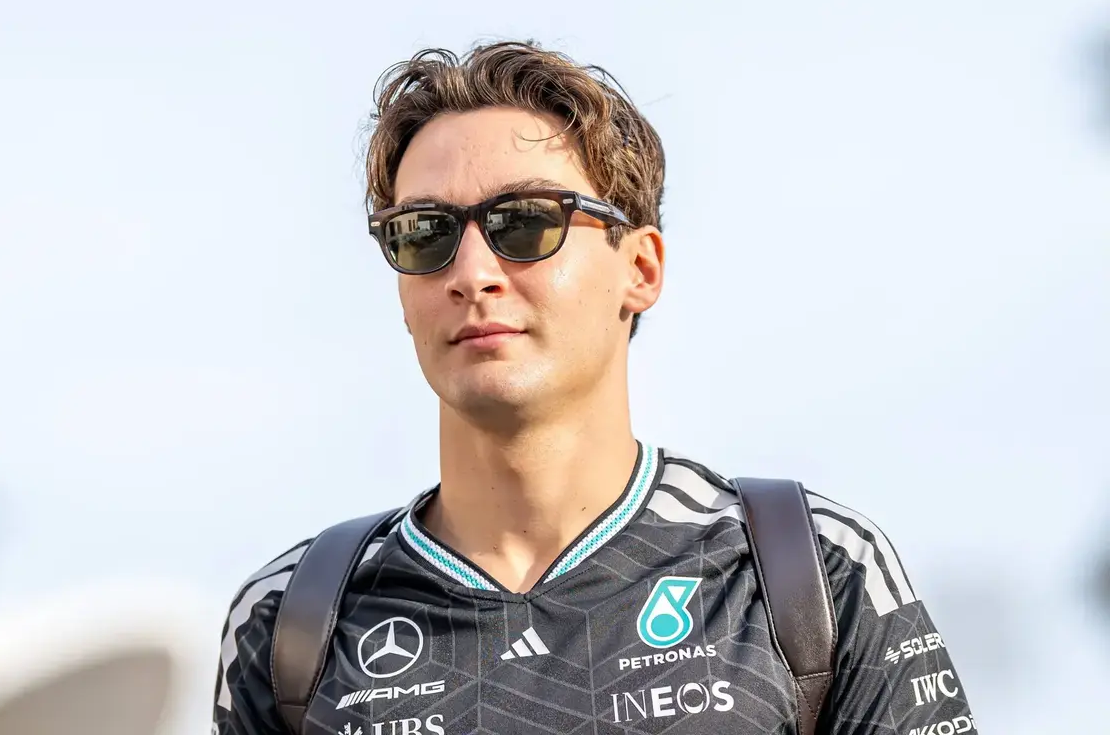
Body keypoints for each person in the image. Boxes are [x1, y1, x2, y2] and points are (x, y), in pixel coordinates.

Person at [213, 41, 979, 735]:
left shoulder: (813, 571)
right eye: (425, 233)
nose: (471, 273)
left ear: (640, 269)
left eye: (525, 222)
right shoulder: (290, 622)